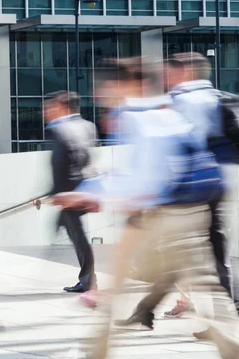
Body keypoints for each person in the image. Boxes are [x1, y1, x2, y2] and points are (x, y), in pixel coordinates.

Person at [52, 57, 239, 359]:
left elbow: (146, 179)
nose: (100, 93)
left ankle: (100, 345)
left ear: (126, 84)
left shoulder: (137, 116)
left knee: (128, 274)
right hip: (193, 207)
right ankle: (223, 339)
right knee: (199, 277)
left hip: (162, 212)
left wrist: (89, 193)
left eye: (104, 85)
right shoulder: (167, 108)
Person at [116, 53, 239, 330]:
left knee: (204, 252)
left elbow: (183, 146)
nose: (165, 79)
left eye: (168, 73)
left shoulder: (184, 99)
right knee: (191, 250)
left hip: (193, 186)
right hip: (216, 181)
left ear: (183, 72)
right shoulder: (216, 95)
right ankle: (146, 310)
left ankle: (227, 316)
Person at [44, 90, 98, 293]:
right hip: (84, 186)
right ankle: (87, 279)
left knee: (78, 237)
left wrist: (56, 193)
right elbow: (86, 158)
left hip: (68, 192)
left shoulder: (60, 130)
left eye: (50, 107)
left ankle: (87, 280)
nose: (47, 112)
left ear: (61, 106)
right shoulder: (88, 126)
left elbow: (59, 164)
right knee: (77, 234)